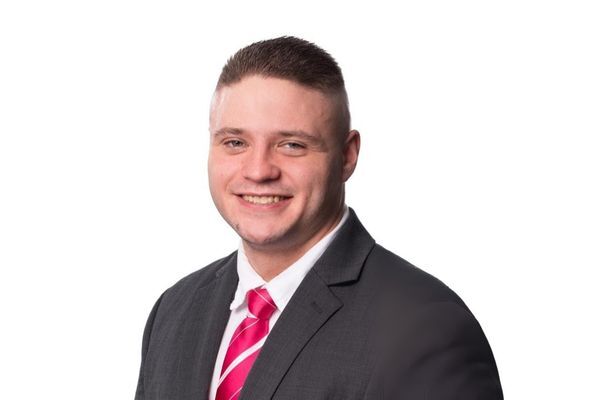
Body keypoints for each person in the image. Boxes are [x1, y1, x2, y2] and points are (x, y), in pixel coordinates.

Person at [134, 36, 503, 400]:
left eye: (292, 145)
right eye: (235, 142)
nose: (258, 170)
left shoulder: (425, 328)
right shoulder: (175, 310)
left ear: (347, 156)